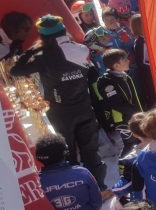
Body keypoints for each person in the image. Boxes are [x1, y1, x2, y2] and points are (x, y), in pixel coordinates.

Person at [11, 15, 106, 186]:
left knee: (67, 154)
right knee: (91, 152)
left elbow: (15, 71)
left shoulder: (43, 56)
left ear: (44, 36)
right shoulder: (82, 49)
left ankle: (75, 185)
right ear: (63, 30)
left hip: (61, 113)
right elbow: (91, 73)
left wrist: (30, 51)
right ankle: (99, 185)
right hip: (84, 108)